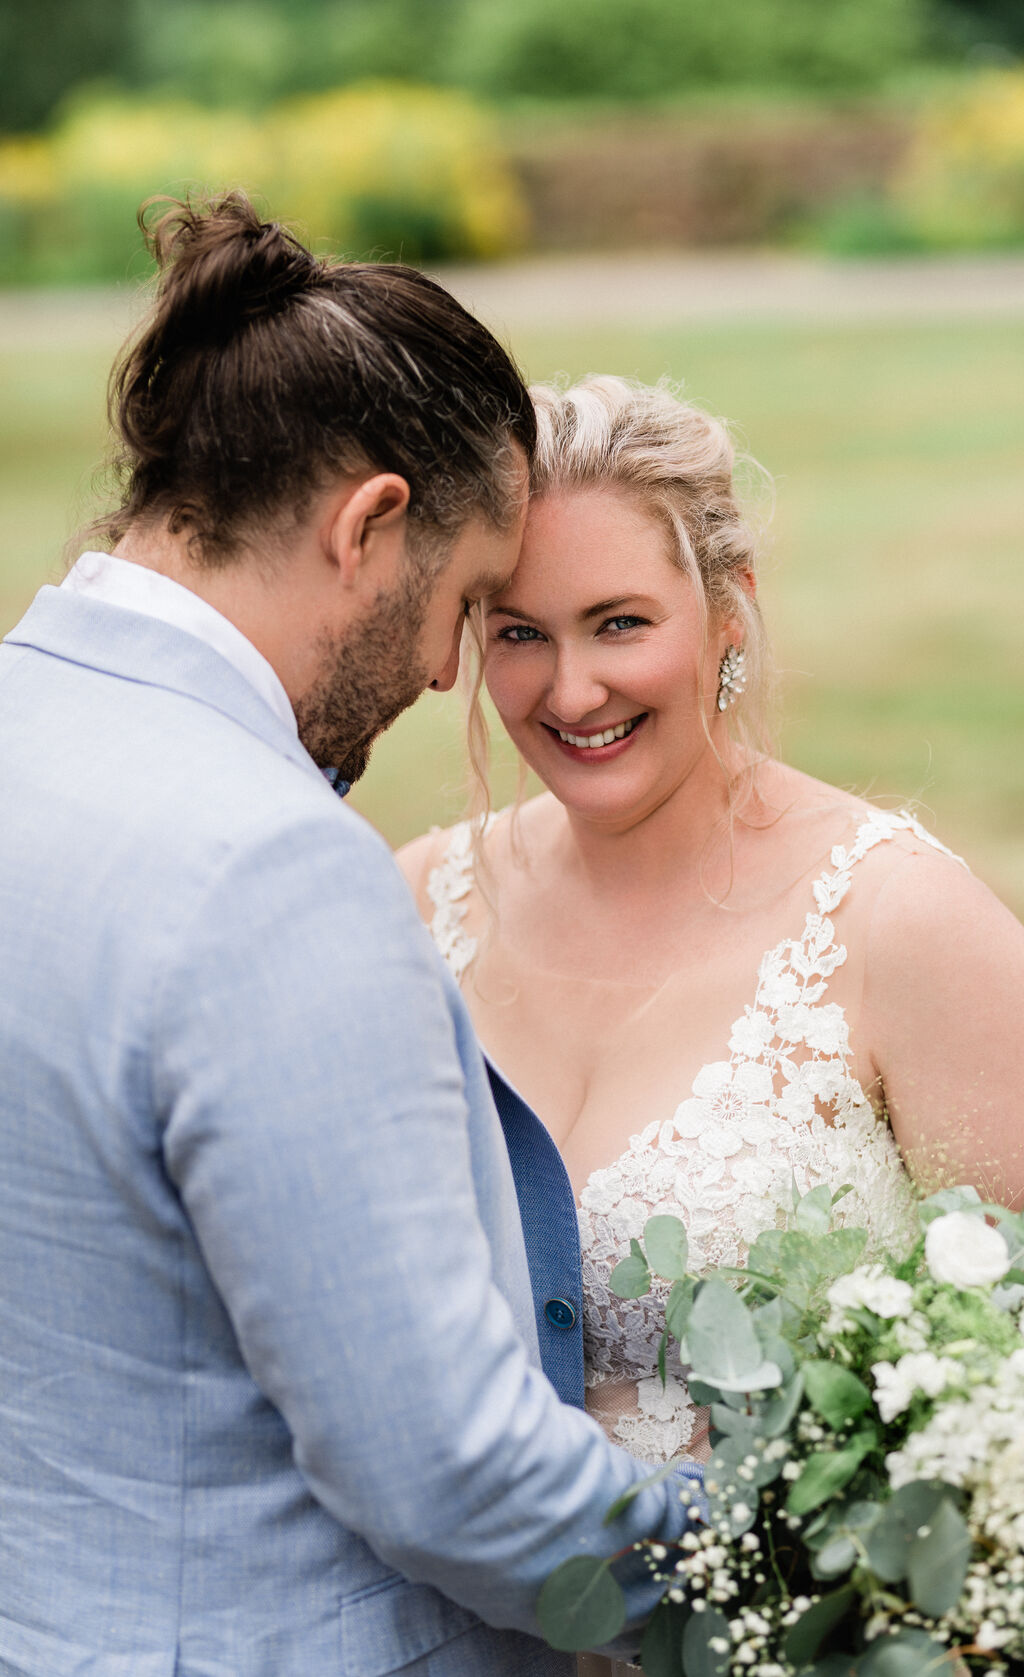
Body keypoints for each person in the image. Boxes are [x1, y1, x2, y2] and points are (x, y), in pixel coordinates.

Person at [0, 204, 701, 1676]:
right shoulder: (272, 869)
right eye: (466, 602)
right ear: (368, 524)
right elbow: (452, 1476)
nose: (448, 668)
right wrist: (781, 1561)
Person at [399, 375, 1024, 1665]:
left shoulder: (899, 924)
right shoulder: (415, 906)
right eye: (518, 634)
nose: (570, 692)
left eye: (620, 623)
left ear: (729, 611)